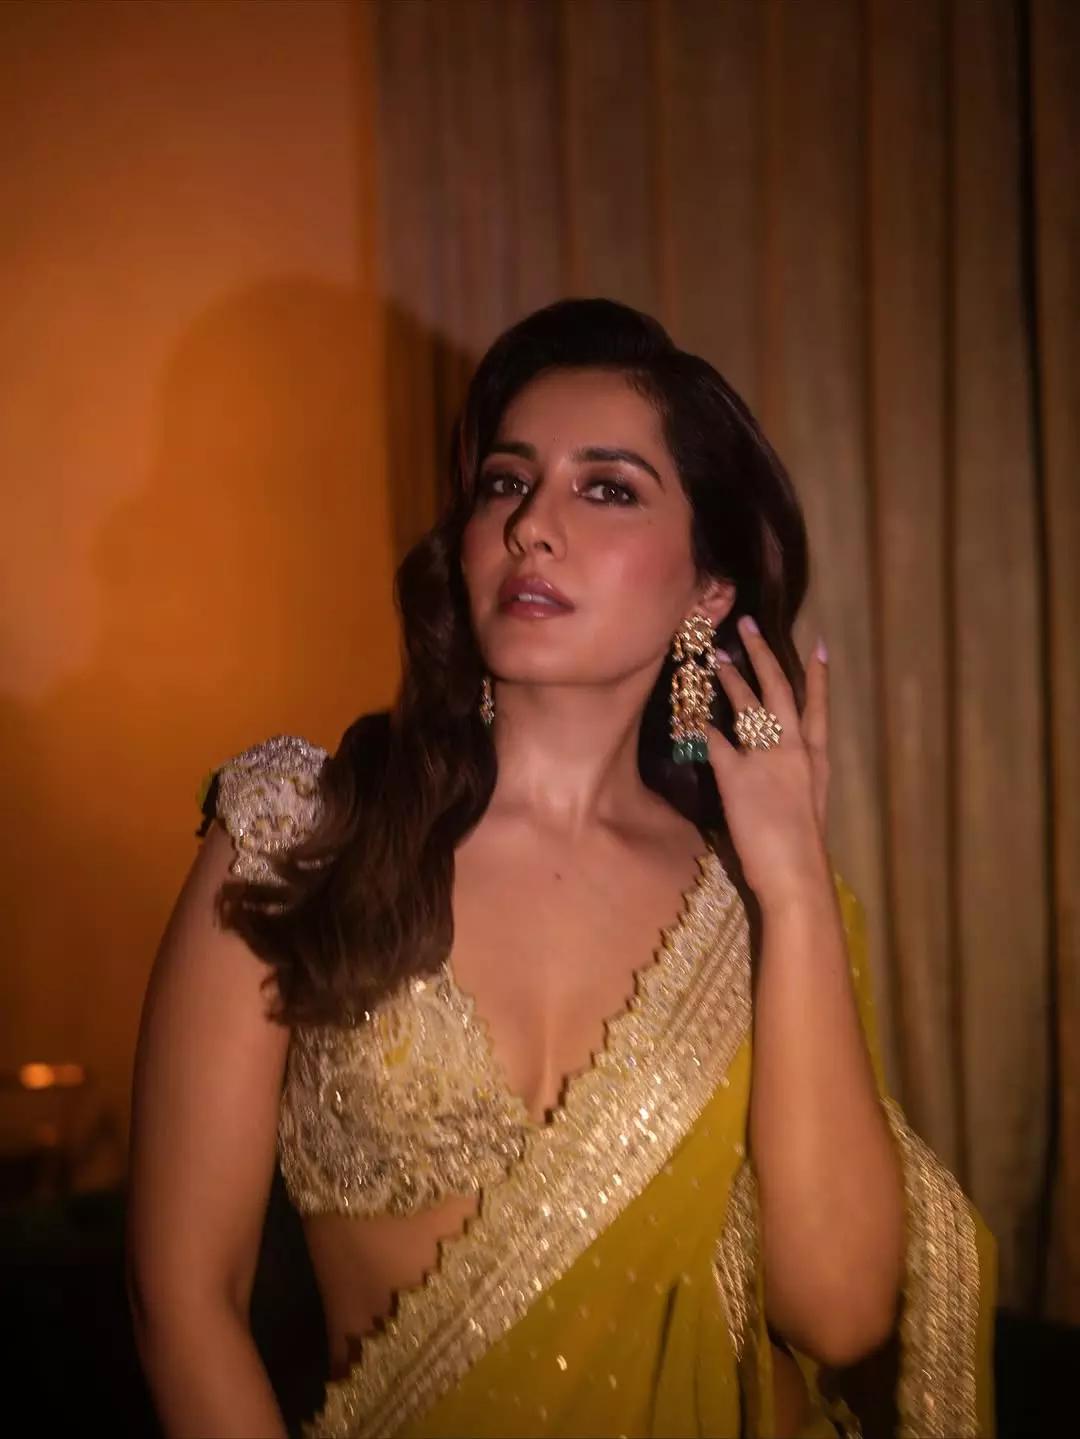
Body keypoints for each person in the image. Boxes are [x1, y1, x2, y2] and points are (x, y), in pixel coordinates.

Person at [127, 299, 995, 1439]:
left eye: (608, 489)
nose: (534, 524)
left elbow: (836, 1311)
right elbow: (181, 1296)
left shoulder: (757, 908)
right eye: (507, 481)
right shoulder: (297, 831)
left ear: (708, 588)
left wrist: (790, 883)